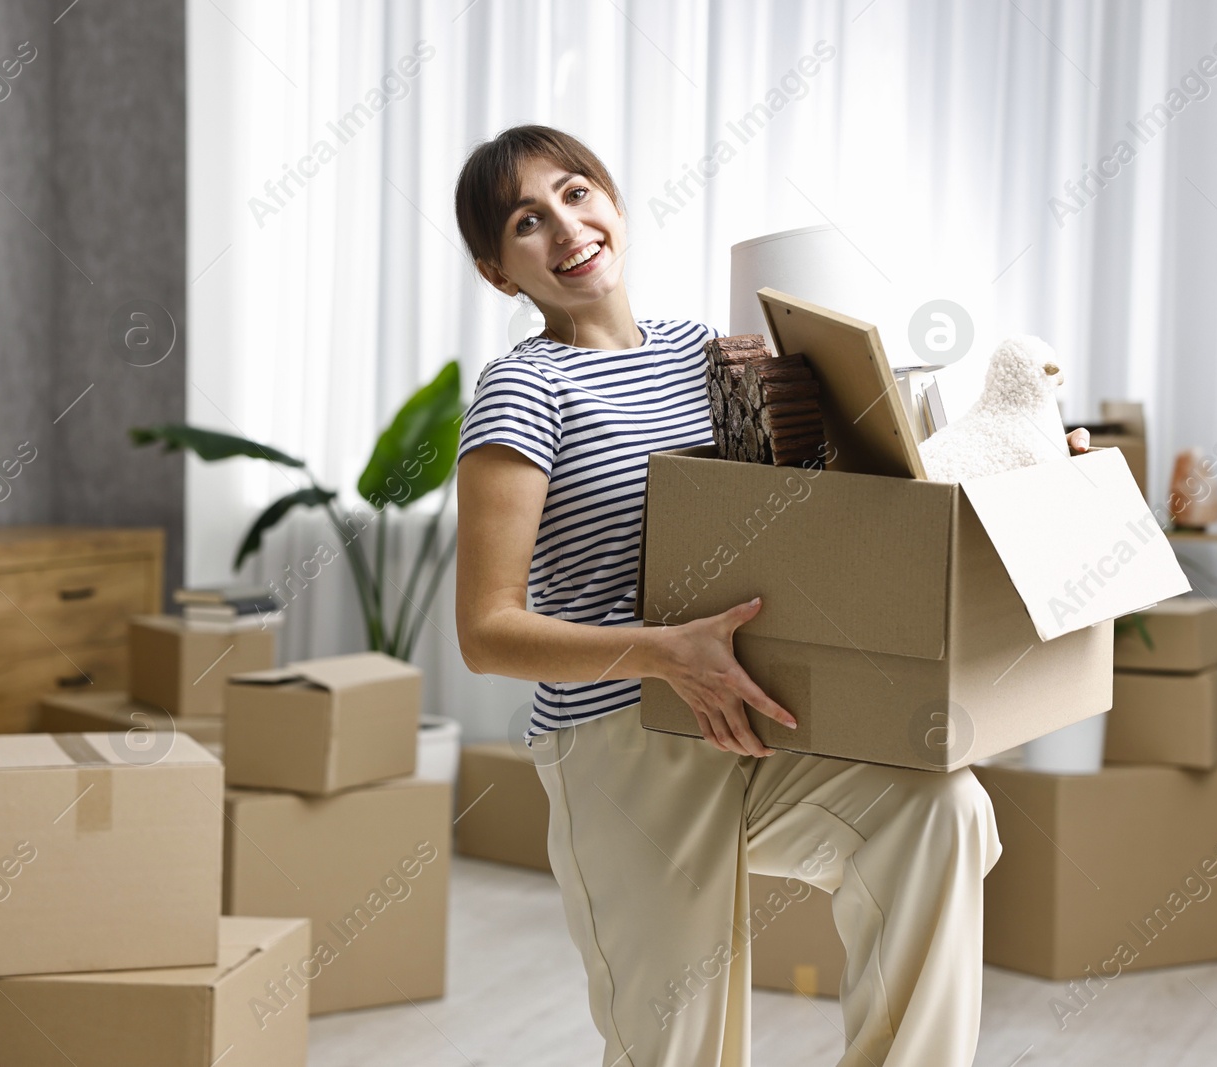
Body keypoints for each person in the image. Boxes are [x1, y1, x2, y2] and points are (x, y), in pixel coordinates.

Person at [452, 123, 1089, 1067]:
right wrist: (667, 652)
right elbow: (486, 630)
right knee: (678, 1044)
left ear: (616, 204)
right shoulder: (524, 390)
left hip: (757, 718)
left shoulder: (707, 352)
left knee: (939, 812)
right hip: (621, 746)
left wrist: (1028, 461)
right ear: (501, 272)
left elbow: (841, 499)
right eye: (527, 222)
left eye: (578, 193)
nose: (566, 226)